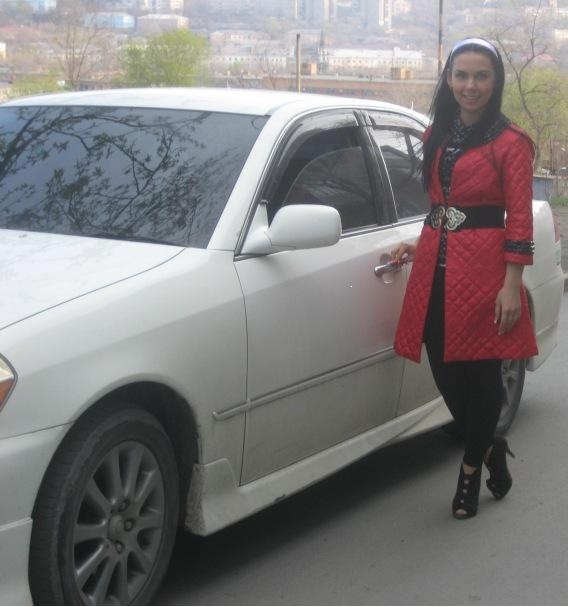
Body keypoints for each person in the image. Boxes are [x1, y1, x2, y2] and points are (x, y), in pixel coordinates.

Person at [391, 37, 538, 519]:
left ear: (495, 82)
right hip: (437, 262)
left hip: (486, 269)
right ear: (449, 79)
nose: (470, 85)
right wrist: (422, 243)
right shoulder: (437, 132)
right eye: (461, 75)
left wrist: (512, 284)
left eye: (481, 76)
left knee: (482, 373)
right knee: (444, 368)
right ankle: (492, 446)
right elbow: (443, 205)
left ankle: (470, 471)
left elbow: (519, 219)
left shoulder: (512, 142)